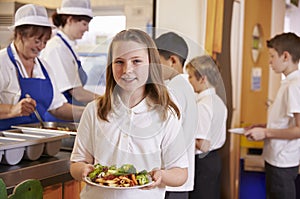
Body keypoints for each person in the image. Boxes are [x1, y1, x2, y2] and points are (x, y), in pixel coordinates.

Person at [70, 29, 189, 199]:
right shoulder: (94, 110)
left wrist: (162, 175)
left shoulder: (165, 115)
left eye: (136, 61)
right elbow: (76, 163)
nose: (127, 70)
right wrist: (84, 170)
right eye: (119, 62)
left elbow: (180, 173)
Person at [0, 4, 84, 130]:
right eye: (37, 41)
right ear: (19, 35)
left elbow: (58, 108)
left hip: (35, 141)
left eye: (45, 42)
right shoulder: (2, 62)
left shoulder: (44, 67)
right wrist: (12, 110)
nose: (41, 47)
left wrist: (92, 112)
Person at [245, 32, 300, 199]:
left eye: (272, 56)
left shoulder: (294, 86)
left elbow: (298, 130)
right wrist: (263, 127)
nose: (269, 61)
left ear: (285, 56)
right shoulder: (288, 83)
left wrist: (266, 133)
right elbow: (285, 122)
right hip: (275, 158)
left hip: (282, 162)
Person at [155, 32, 198, 199]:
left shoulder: (174, 90)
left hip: (171, 179)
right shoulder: (183, 86)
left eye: (156, 62)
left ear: (172, 61)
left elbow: (162, 132)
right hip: (177, 178)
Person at [40, 0, 99, 110]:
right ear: (70, 20)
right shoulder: (57, 48)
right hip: (61, 114)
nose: (87, 29)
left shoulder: (67, 46)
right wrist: (106, 100)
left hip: (71, 110)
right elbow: (78, 94)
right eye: (84, 24)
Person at [185, 55, 227, 199]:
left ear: (203, 79)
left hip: (202, 162)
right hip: (214, 160)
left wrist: (183, 133)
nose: (189, 81)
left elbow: (203, 145)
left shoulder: (203, 105)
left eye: (190, 77)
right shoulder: (218, 102)